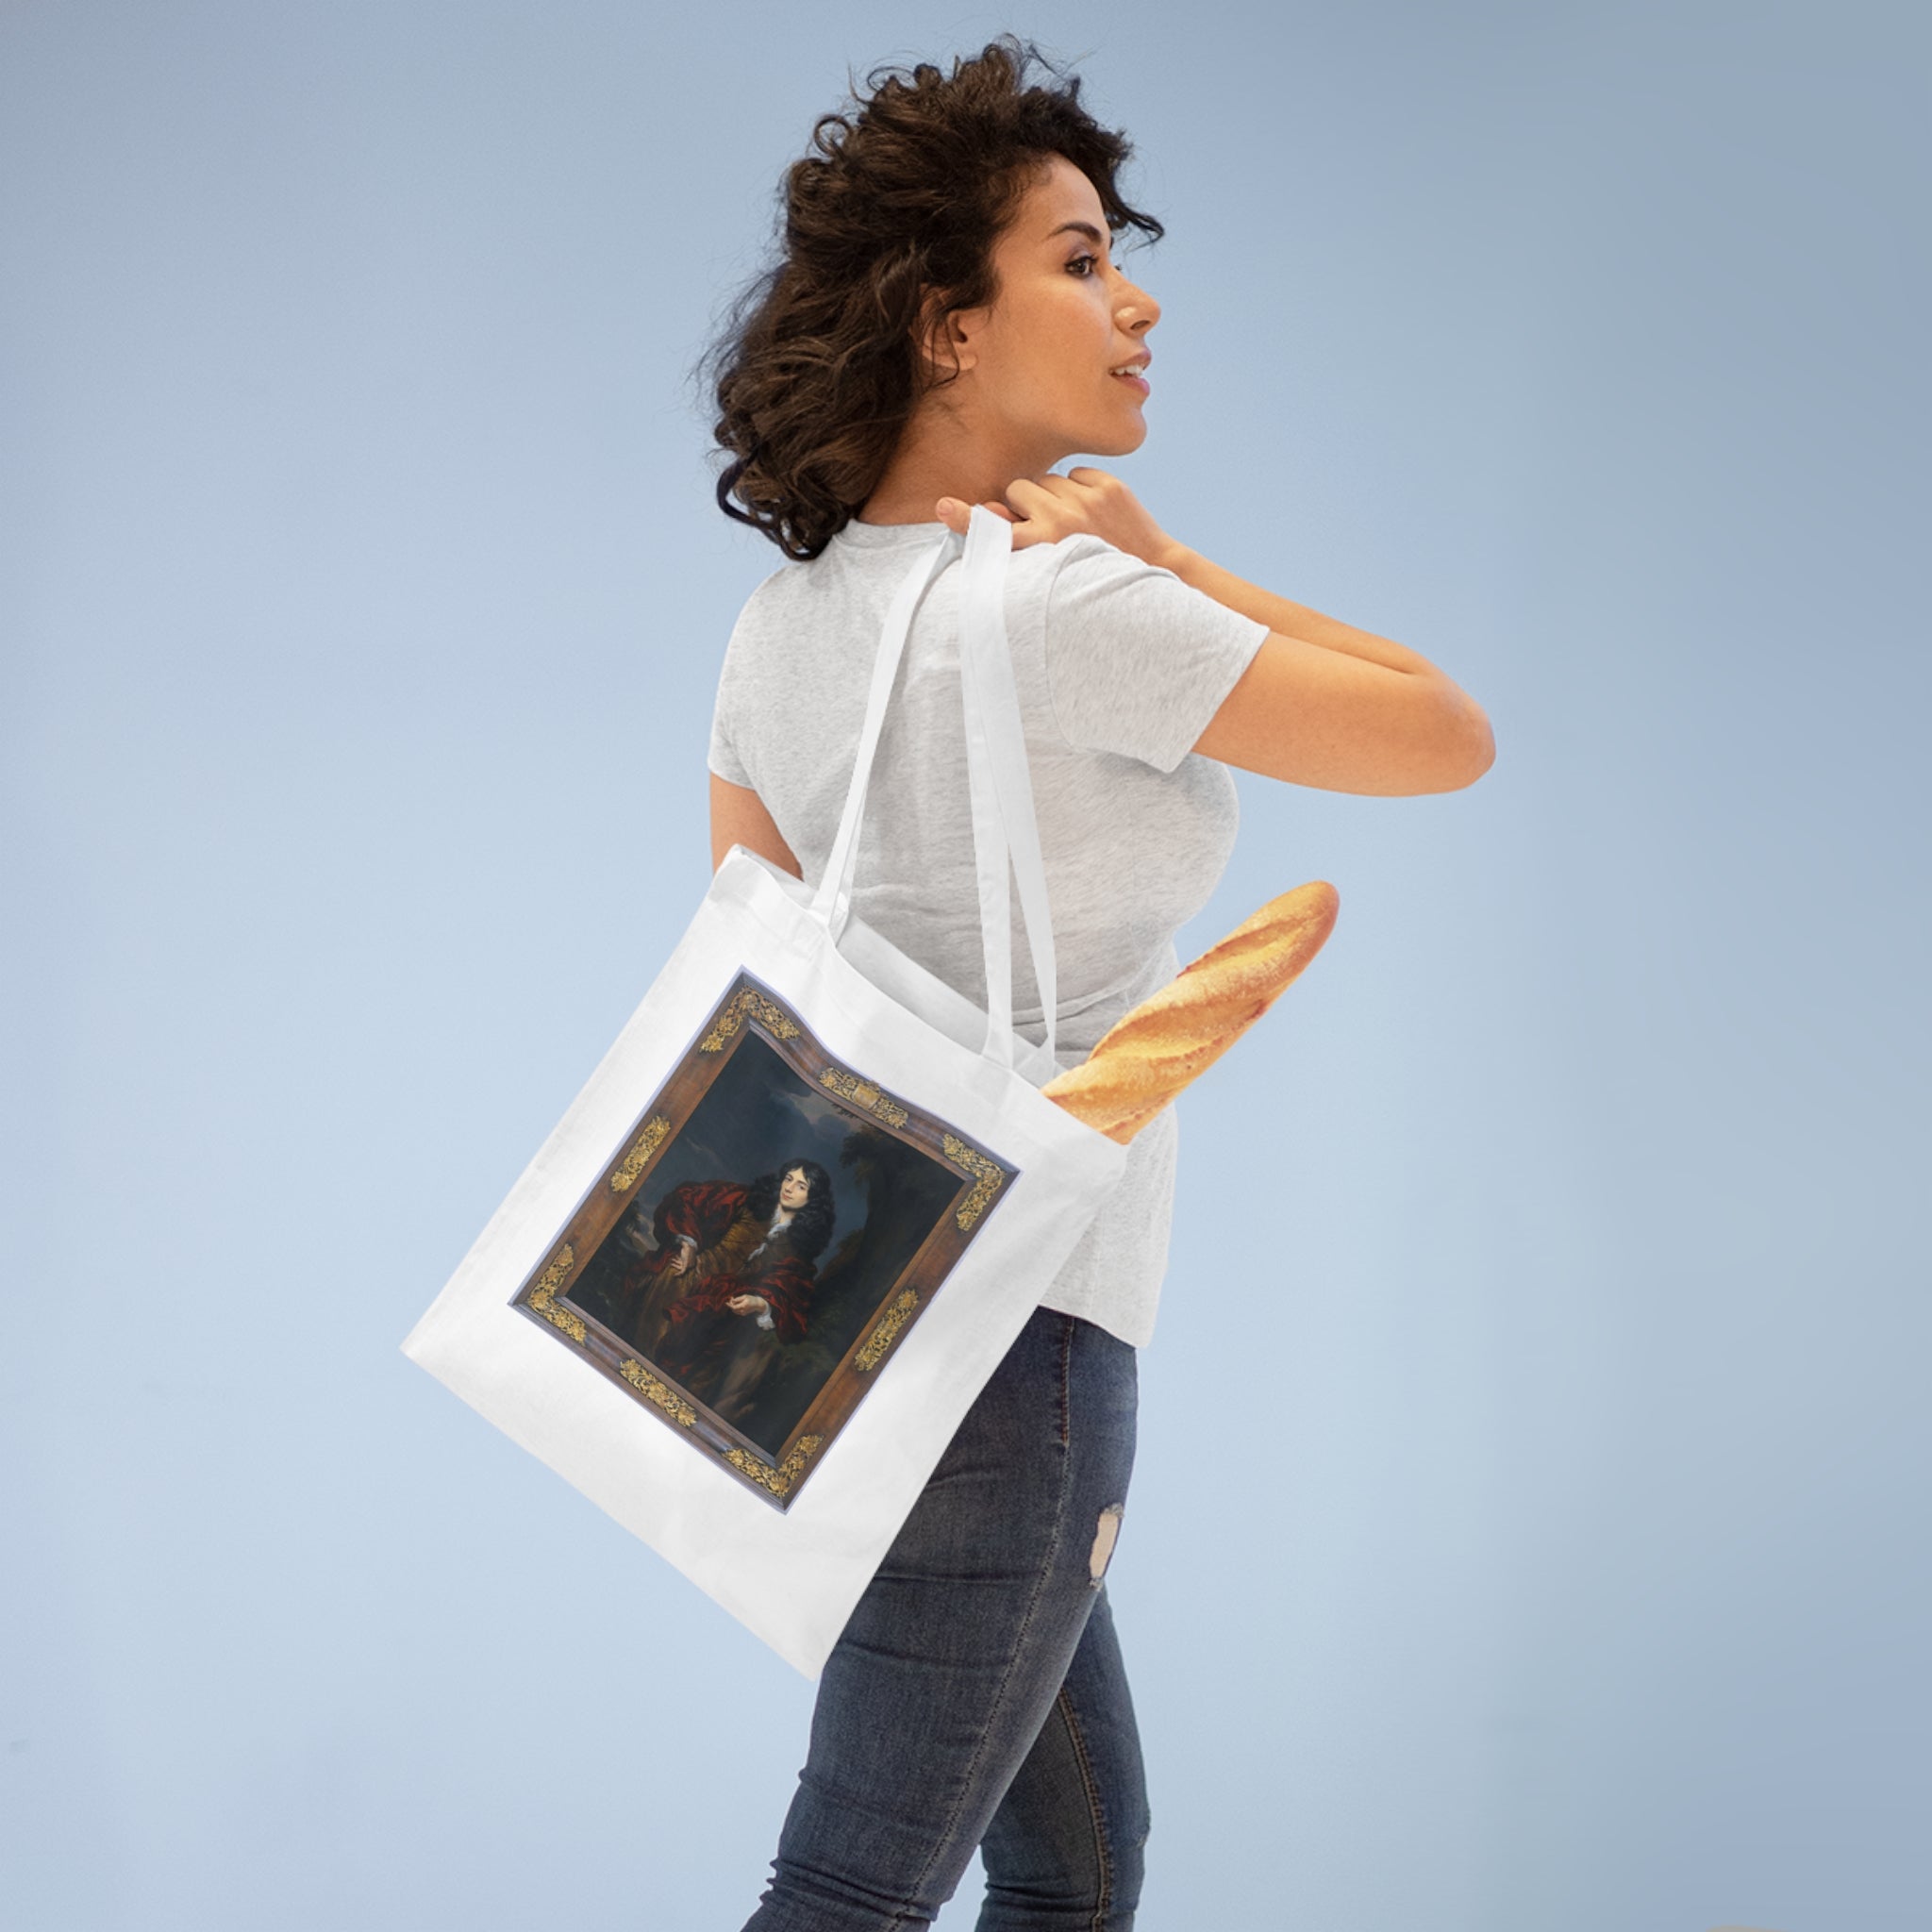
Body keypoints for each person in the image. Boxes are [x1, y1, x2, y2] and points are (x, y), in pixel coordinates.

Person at [701, 37, 1493, 1931]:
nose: (1132, 298)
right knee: (854, 1883)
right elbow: (1446, 734)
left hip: (847, 1320)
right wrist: (1180, 564)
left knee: (1074, 1858)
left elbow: (750, 963)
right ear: (946, 327)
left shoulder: (779, 623)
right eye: (1074, 257)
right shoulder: (1065, 604)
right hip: (1026, 1325)